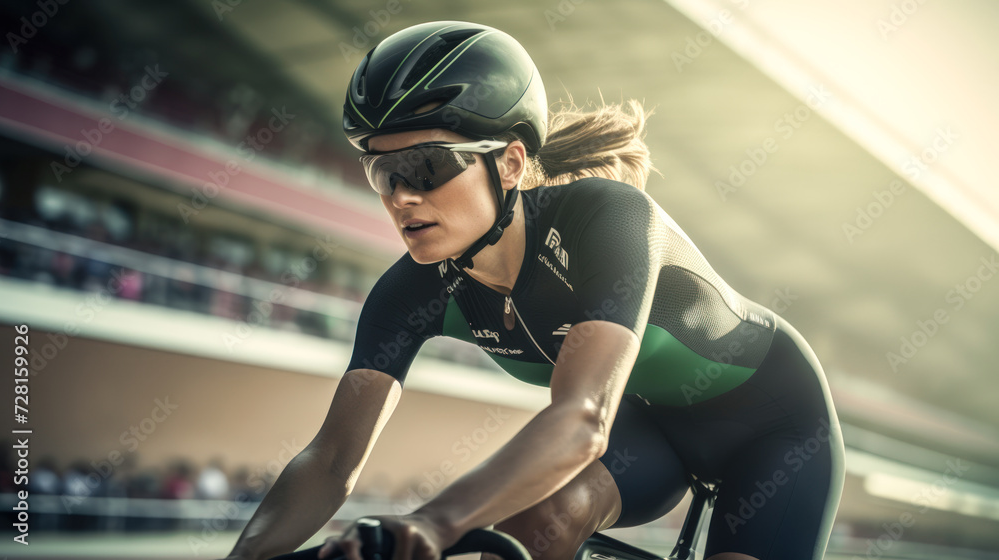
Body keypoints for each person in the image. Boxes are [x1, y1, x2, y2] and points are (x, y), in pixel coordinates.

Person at [222, 21, 845, 560]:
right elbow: (333, 460)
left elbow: (581, 420)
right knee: (532, 528)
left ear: (512, 163)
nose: (402, 198)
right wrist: (247, 554)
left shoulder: (608, 218)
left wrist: (432, 523)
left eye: (428, 167)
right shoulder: (408, 292)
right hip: (648, 431)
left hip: (774, 428)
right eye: (383, 173)